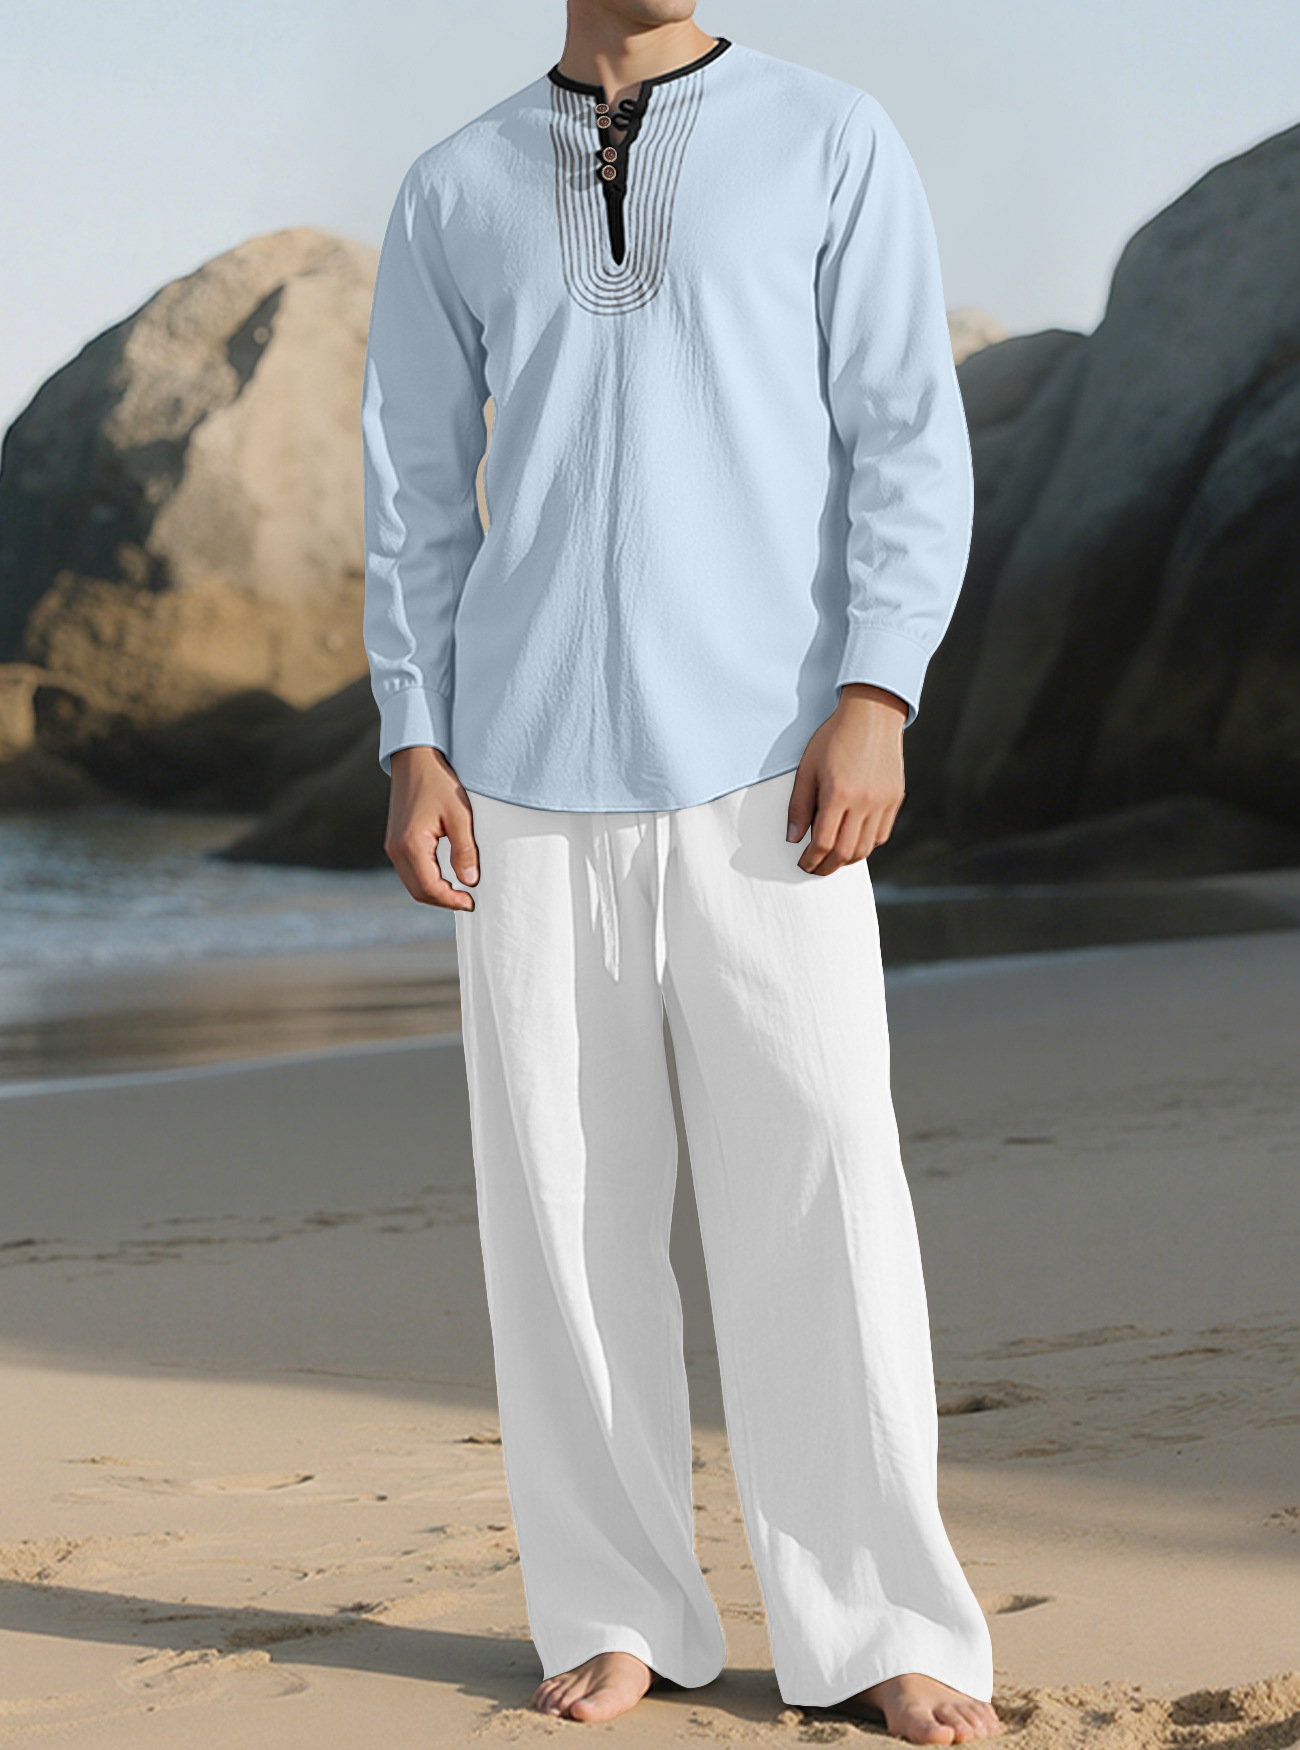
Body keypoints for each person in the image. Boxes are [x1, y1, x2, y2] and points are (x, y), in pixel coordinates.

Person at [361, 2, 1001, 1739]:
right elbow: (413, 484)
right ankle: (617, 1603)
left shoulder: (833, 138)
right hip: (520, 785)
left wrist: (877, 693)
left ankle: (883, 1620)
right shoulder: (451, 185)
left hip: (772, 777)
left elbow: (906, 434)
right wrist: (415, 733)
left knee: (827, 1195)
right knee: (563, 1226)